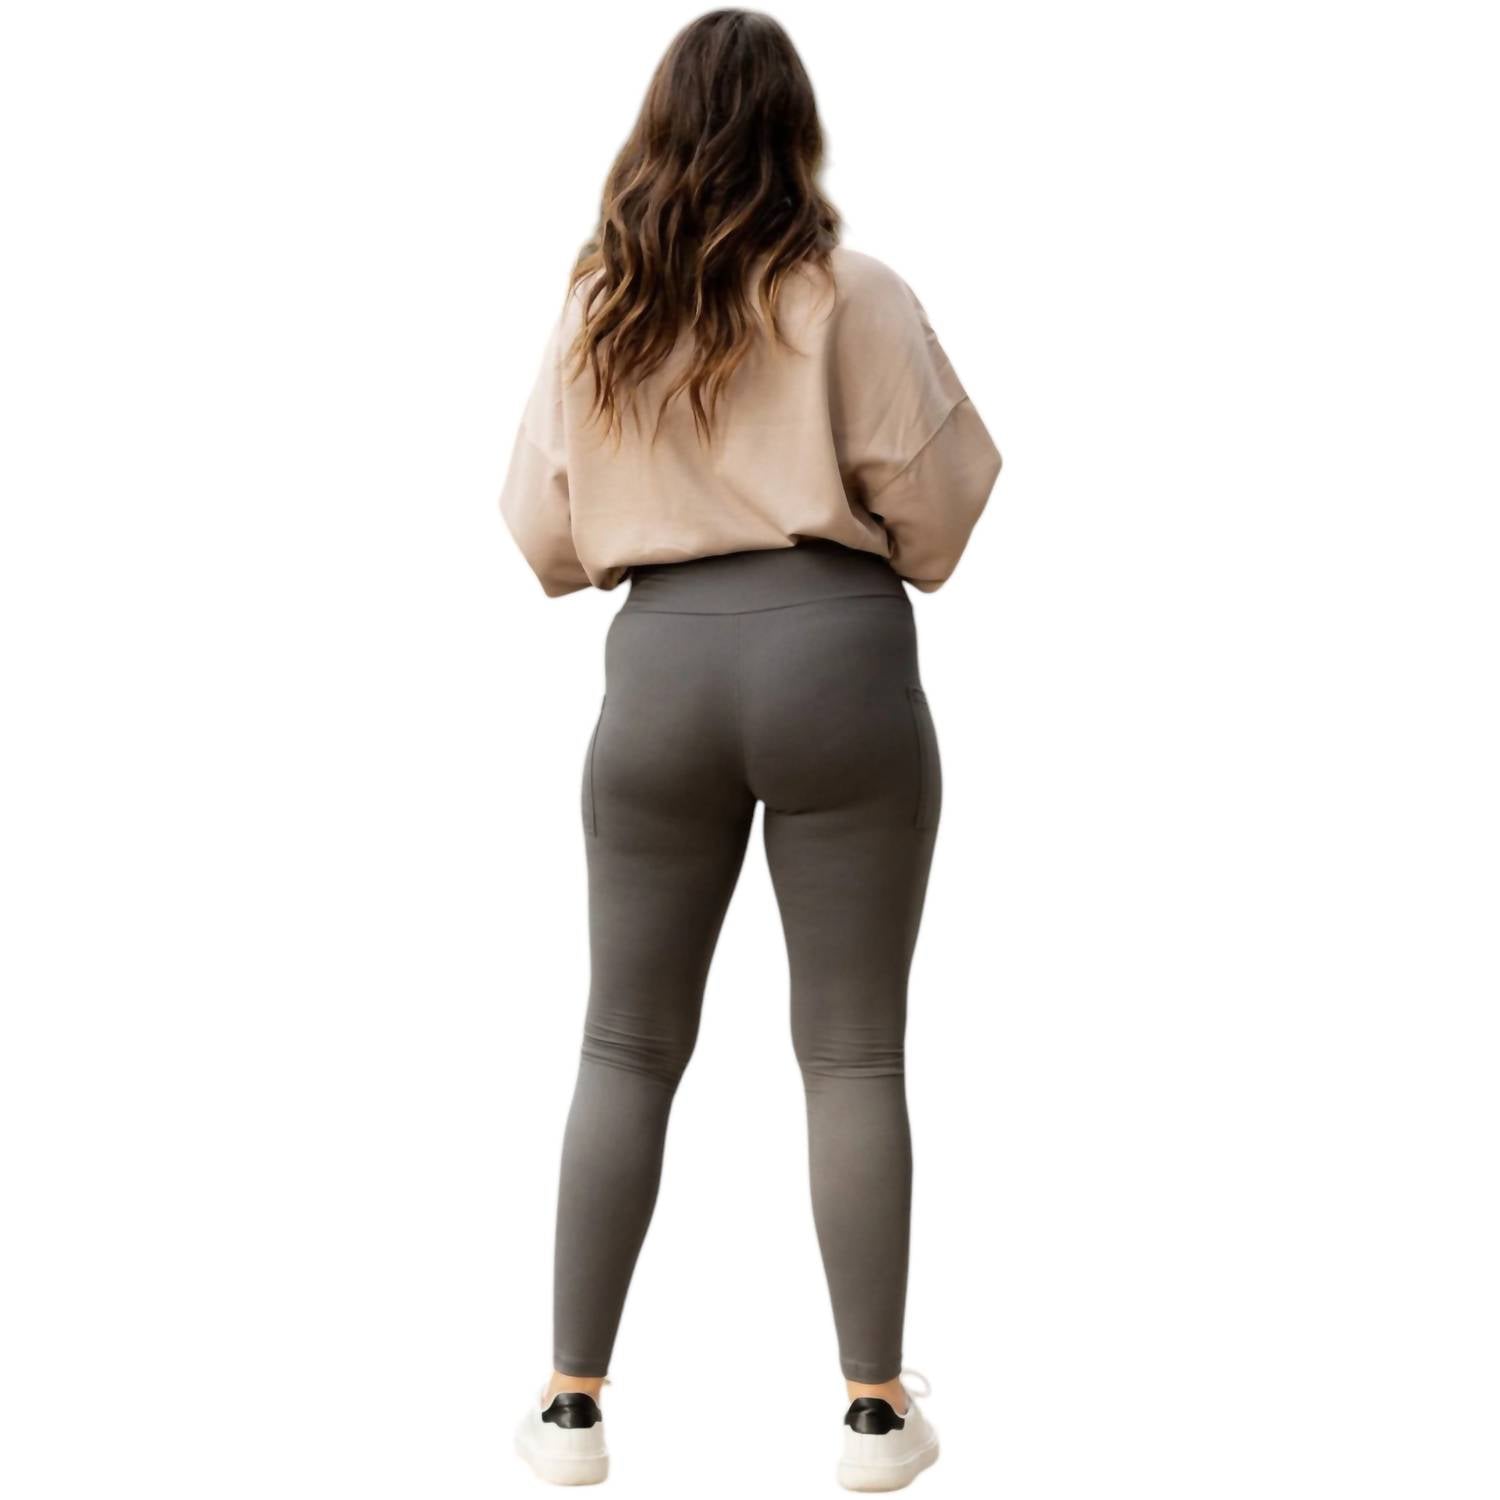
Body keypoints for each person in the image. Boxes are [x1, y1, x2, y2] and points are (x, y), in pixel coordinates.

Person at [498, 10, 1000, 1490]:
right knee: (851, 1048)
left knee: (624, 1041)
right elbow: (945, 515)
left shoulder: (603, 303)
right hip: (839, 658)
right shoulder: (860, 293)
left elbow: (542, 536)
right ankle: (873, 1416)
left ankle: (571, 1408)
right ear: (799, 133)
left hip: (660, 671)